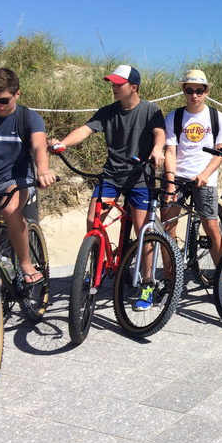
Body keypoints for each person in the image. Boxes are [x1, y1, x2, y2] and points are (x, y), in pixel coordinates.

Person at [50, 64, 165, 309]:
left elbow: (160, 134)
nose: (113, 87)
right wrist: (63, 144)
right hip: (112, 176)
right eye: (112, 83)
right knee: (93, 220)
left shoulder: (151, 110)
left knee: (143, 231)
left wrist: (157, 150)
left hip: (140, 177)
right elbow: (86, 129)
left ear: (133, 87)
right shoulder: (107, 111)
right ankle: (98, 264)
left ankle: (147, 284)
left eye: (118, 84)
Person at [0, 67, 56, 285]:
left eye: (4, 100)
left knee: (9, 208)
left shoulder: (29, 118)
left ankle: (26, 264)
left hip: (16, 178)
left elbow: (39, 148)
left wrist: (43, 171)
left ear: (17, 94)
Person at [162, 69, 222, 272]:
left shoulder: (218, 118)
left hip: (205, 177)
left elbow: (221, 152)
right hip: (178, 175)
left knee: (211, 227)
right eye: (190, 90)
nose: (194, 95)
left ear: (206, 92)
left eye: (199, 90)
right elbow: (170, 152)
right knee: (167, 226)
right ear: (183, 91)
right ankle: (170, 278)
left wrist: (205, 174)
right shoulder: (174, 117)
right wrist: (169, 180)